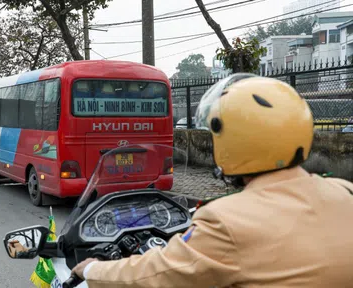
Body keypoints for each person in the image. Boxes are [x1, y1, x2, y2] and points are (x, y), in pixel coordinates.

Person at [70, 74, 353, 287]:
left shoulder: (225, 221)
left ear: (229, 140)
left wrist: (92, 269)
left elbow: (155, 273)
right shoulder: (344, 191)